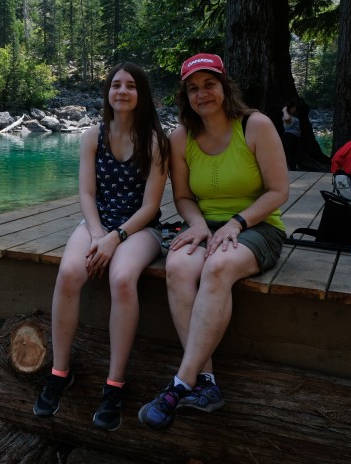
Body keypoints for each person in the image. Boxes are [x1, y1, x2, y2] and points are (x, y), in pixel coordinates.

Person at [137, 53, 289, 431]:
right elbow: (184, 197)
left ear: (224, 87)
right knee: (178, 265)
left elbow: (278, 191)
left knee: (217, 266)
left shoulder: (256, 125)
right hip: (205, 223)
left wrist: (238, 222)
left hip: (258, 225)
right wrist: (198, 223)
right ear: (185, 96)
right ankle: (206, 383)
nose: (202, 94)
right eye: (193, 88)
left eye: (209, 85)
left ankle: (181, 383)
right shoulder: (181, 137)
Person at [33, 62, 171, 431]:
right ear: (108, 93)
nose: (122, 91)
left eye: (130, 86)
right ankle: (60, 372)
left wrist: (116, 237)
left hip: (139, 229)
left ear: (141, 94)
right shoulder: (93, 136)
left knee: (123, 278)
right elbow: (87, 192)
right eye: (115, 85)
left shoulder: (156, 141)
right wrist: (97, 235)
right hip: (97, 224)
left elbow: (151, 208)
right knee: (69, 272)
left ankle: (114, 385)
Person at [281, 99, 302, 170]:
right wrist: (284, 110)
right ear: (290, 108)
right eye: (294, 107)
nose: (295, 109)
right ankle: (291, 169)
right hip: (289, 137)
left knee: (293, 153)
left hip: (293, 138)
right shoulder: (286, 117)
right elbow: (287, 118)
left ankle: (292, 168)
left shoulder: (293, 117)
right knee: (290, 154)